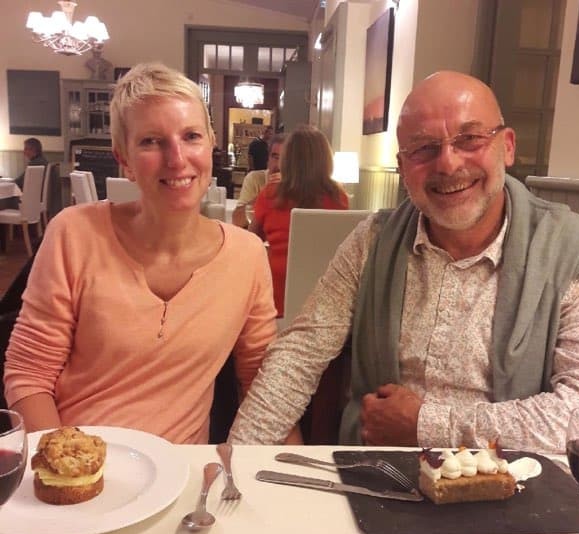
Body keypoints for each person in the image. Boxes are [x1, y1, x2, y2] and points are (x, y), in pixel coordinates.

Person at [228, 71, 579, 453]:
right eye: (423, 148)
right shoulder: (371, 240)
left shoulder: (574, 251)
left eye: (469, 138)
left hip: (516, 492)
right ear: (403, 167)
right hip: (378, 479)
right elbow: (299, 354)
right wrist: (232, 466)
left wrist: (425, 425)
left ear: (506, 146)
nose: (449, 164)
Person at [3, 62, 278, 444]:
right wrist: (67, 466)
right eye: (151, 141)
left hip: (180, 476)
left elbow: (261, 382)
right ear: (125, 161)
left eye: (191, 136)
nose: (177, 159)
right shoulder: (73, 233)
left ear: (211, 143)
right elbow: (28, 374)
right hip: (75, 463)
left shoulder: (247, 255)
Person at [249, 124, 349, 317]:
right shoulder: (339, 198)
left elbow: (251, 241)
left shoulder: (270, 195)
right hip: (324, 296)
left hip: (278, 295)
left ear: (288, 159)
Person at [232, 133, 285, 228]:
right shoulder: (255, 179)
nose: (279, 164)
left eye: (285, 159)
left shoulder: (300, 185)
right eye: (275, 157)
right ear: (268, 159)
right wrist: (266, 194)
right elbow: (237, 221)